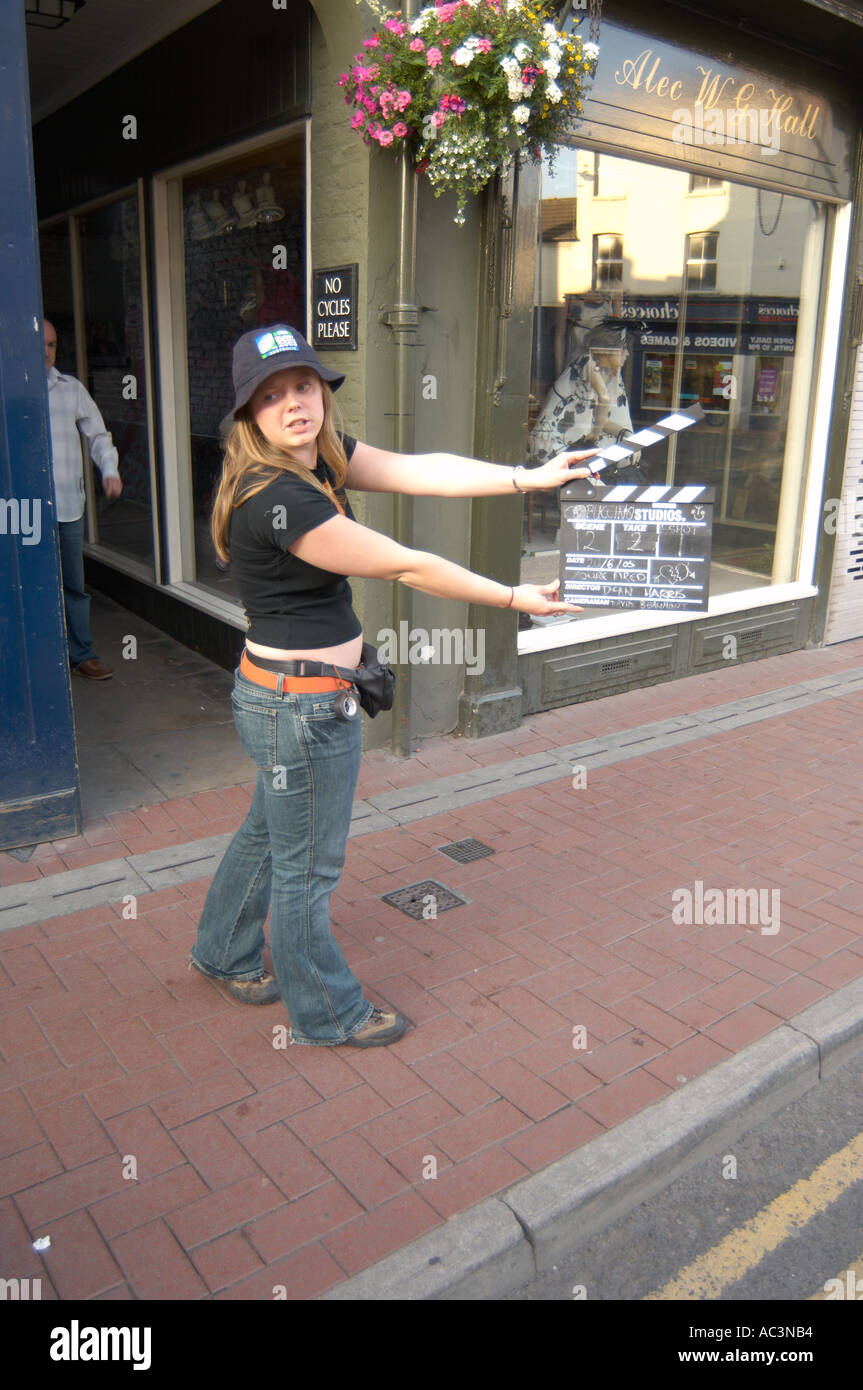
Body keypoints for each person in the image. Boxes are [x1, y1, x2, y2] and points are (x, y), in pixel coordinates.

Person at [189, 323, 598, 1048]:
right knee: (306, 870)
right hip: (302, 708)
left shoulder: (323, 458)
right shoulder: (280, 499)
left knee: (266, 833)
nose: (293, 404)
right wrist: (514, 598)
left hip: (283, 697)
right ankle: (328, 1015)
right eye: (272, 395)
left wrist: (526, 476)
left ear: (322, 392)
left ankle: (221, 949)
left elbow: (421, 469)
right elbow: (407, 564)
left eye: (303, 386)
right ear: (250, 413)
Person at [44, 319, 123, 680]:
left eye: (52, 345)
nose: (46, 352)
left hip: (67, 508)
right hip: (20, 512)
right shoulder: (9, 389)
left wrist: (109, 470)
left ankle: (81, 655)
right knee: (28, 585)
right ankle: (39, 656)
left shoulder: (70, 389)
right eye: (39, 344)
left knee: (74, 585)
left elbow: (99, 437)